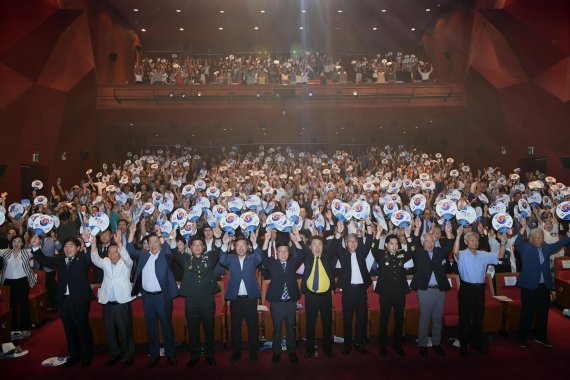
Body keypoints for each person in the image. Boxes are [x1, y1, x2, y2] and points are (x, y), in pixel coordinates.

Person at [33, 231, 95, 368]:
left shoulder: (83, 259)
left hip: (79, 300)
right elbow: (43, 259)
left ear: (78, 248)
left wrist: (89, 242)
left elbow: (92, 256)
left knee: (82, 328)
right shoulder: (60, 260)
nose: (68, 249)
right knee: (69, 329)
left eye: (71, 246)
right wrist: (36, 246)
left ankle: (86, 355)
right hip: (64, 301)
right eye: (66, 246)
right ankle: (74, 355)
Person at [127, 223, 178, 367]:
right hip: (147, 298)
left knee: (167, 327)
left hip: (163, 297)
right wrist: (131, 233)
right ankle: (154, 355)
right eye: (151, 242)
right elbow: (130, 249)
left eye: (156, 242)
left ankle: (170, 354)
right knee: (151, 328)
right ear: (147, 244)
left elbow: (169, 250)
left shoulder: (165, 255)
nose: (154, 245)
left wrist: (160, 235)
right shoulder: (143, 255)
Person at [515, 218, 570, 348]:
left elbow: (560, 243)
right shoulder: (525, 248)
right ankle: (522, 338)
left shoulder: (546, 247)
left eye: (541, 238)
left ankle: (541, 337)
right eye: (537, 238)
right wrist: (522, 227)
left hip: (543, 286)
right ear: (531, 239)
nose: (540, 240)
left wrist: (568, 234)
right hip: (529, 287)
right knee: (527, 313)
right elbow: (517, 242)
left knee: (543, 313)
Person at [453, 226, 505, 356]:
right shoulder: (462, 254)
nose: (474, 242)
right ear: (466, 242)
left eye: (476, 240)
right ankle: (463, 345)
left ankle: (477, 343)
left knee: (478, 318)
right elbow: (454, 252)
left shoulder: (483, 254)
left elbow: (500, 256)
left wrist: (503, 243)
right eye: (471, 240)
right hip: (466, 289)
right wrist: (458, 236)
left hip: (479, 290)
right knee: (465, 318)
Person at [170, 234, 220, 367]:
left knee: (209, 329)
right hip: (191, 300)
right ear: (190, 247)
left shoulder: (209, 257)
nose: (197, 247)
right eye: (194, 245)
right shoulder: (186, 258)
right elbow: (174, 251)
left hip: (207, 299)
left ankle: (210, 354)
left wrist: (219, 236)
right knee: (193, 329)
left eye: (200, 245)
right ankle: (194, 355)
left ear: (204, 247)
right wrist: (173, 237)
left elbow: (219, 249)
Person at [89, 230, 135, 368]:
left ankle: (128, 355)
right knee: (110, 332)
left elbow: (126, 256)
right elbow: (94, 258)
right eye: (110, 252)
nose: (113, 255)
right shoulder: (106, 262)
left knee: (125, 331)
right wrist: (93, 244)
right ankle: (114, 355)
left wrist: (120, 243)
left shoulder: (127, 263)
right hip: (107, 303)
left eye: (116, 252)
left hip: (122, 304)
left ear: (120, 252)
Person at [409, 218, 454, 357]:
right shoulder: (419, 252)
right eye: (427, 241)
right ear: (423, 243)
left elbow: (449, 245)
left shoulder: (439, 252)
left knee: (437, 319)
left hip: (439, 290)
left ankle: (436, 343)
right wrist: (417, 229)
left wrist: (448, 232)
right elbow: (414, 241)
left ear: (435, 242)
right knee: (424, 319)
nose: (429, 243)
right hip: (425, 290)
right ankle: (422, 344)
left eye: (432, 241)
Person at [261, 230, 302, 364]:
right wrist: (266, 240)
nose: (283, 253)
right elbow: (263, 257)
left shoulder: (293, 262)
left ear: (288, 252)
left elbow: (302, 254)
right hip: (277, 302)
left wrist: (295, 240)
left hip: (290, 301)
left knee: (291, 327)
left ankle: (291, 351)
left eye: (285, 251)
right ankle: (276, 351)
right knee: (277, 327)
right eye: (280, 251)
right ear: (276, 253)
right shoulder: (272, 263)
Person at [219, 232, 261, 364]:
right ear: (235, 247)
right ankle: (237, 352)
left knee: (252, 326)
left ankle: (254, 352)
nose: (241, 248)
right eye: (238, 245)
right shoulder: (230, 259)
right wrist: (225, 244)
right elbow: (222, 260)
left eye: (243, 245)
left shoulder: (252, 258)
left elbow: (260, 258)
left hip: (250, 298)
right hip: (235, 299)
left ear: (247, 247)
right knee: (235, 327)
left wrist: (255, 243)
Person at [371, 226, 412, 356]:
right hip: (386, 293)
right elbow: (373, 249)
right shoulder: (382, 255)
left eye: (396, 244)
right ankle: (382, 346)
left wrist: (409, 237)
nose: (394, 246)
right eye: (392, 244)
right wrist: (377, 235)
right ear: (387, 245)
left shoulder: (401, 254)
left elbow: (412, 251)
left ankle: (397, 344)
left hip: (400, 292)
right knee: (384, 319)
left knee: (399, 319)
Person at [334, 220, 373, 355]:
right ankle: (348, 344)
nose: (353, 243)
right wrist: (339, 233)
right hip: (348, 291)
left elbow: (369, 241)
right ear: (346, 244)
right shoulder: (343, 254)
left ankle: (359, 343)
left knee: (361, 318)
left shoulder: (362, 253)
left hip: (361, 290)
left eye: (355, 241)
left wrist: (368, 224)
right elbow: (335, 247)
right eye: (350, 241)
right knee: (347, 318)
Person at [298, 235, 335, 359]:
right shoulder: (308, 257)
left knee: (327, 322)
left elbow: (334, 245)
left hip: (325, 296)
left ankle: (327, 347)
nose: (317, 247)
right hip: (311, 296)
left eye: (320, 245)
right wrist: (297, 236)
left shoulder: (326, 257)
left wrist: (339, 234)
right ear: (310, 247)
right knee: (310, 323)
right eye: (314, 244)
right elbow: (301, 247)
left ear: (323, 247)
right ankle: (309, 348)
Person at [0, 235, 38, 334]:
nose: (16, 244)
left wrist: (35, 240)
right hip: (8, 283)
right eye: (14, 242)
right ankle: (13, 328)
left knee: (23, 305)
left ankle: (26, 326)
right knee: (11, 306)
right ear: (11, 243)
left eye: (19, 242)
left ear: (22, 243)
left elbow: (37, 249)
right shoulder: (5, 252)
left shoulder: (27, 252)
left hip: (22, 282)